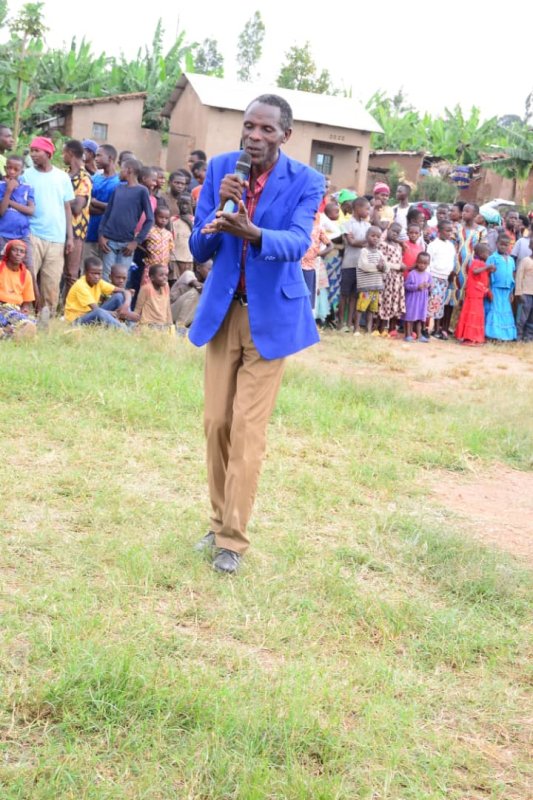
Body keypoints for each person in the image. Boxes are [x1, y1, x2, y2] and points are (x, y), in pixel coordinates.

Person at [189, 93, 324, 574]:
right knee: (216, 424)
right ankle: (217, 521)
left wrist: (253, 231)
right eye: (249, 126)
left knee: (247, 430)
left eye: (267, 129)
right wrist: (219, 209)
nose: (255, 136)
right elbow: (198, 247)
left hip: (271, 318)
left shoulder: (307, 180)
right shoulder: (222, 169)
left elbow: (299, 241)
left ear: (286, 134)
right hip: (223, 313)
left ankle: (232, 540)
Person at [23, 136, 74, 313]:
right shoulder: (26, 175)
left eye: (37, 151)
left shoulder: (62, 177)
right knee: (28, 277)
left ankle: (47, 316)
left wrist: (70, 237)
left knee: (51, 281)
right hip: (32, 234)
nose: (33, 154)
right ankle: (26, 314)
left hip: (56, 238)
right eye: (31, 151)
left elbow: (67, 208)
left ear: (48, 153)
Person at [98, 158, 154, 279]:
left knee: (121, 278)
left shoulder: (142, 191)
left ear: (129, 170)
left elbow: (150, 219)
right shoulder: (118, 188)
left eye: (121, 169)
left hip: (127, 244)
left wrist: (136, 241)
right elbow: (107, 214)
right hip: (109, 242)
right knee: (106, 278)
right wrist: (101, 235)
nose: (119, 172)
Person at [65, 255, 129, 328]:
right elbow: (96, 309)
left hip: (92, 313)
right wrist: (114, 313)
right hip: (76, 320)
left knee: (119, 296)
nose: (97, 277)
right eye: (93, 273)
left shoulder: (99, 282)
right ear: (85, 272)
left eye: (99, 273)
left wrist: (126, 305)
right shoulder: (81, 286)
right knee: (99, 312)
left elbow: (124, 291)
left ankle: (130, 326)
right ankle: (124, 330)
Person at [62, 139, 92, 295]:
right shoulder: (63, 174)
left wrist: (61, 200)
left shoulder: (84, 178)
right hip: (58, 229)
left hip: (76, 232)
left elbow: (77, 208)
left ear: (70, 153)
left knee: (71, 274)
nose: (62, 156)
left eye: (64, 153)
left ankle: (69, 306)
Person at [338, 196, 370, 332]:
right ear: (357, 208)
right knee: (344, 294)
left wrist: (361, 242)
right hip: (349, 264)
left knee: (354, 296)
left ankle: (349, 322)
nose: (368, 211)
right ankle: (340, 323)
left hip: (361, 265)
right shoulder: (347, 224)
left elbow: (365, 242)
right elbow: (351, 243)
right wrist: (366, 241)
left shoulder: (367, 225)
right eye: (366, 209)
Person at [84, 144, 120, 262]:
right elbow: (86, 205)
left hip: (109, 238)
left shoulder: (120, 182)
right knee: (88, 269)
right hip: (90, 234)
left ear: (110, 158)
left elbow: (118, 209)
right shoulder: (94, 179)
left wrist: (97, 203)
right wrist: (106, 208)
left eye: (99, 155)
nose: (96, 159)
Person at [455, 243, 492, 345]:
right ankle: (468, 337)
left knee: (477, 315)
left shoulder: (482, 264)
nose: (488, 255)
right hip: (473, 294)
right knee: (472, 314)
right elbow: (475, 271)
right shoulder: (476, 262)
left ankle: (475, 337)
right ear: (481, 254)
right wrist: (487, 268)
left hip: (478, 294)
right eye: (487, 253)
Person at [353, 225, 387, 336]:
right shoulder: (364, 251)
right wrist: (378, 267)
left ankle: (368, 330)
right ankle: (356, 329)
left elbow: (386, 267)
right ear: (367, 237)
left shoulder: (379, 253)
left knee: (372, 309)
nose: (375, 238)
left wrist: (383, 267)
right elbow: (364, 266)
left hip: (376, 287)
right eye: (373, 236)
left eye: (378, 236)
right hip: (366, 287)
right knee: (360, 308)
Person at [0, 155, 35, 259]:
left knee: (28, 264)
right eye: (9, 168)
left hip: (22, 235)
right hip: (2, 234)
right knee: (2, 264)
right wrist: (9, 190)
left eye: (16, 169)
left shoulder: (28, 187)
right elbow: (1, 211)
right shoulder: (1, 186)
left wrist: (9, 201)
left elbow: (31, 210)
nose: (12, 171)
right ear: (5, 168)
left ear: (22, 172)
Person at [0, 239, 36, 338]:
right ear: (8, 252)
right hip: (2, 306)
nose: (18, 254)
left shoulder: (26, 274)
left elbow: (26, 302)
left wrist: (24, 310)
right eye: (15, 250)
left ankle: (8, 333)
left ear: (24, 255)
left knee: (29, 319)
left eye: (22, 251)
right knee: (13, 317)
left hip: (16, 308)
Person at [485, 234, 516, 341]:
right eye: (501, 244)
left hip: (507, 291)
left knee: (506, 311)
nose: (503, 247)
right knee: (495, 310)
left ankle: (506, 336)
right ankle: (493, 334)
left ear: (509, 246)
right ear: (496, 244)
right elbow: (487, 275)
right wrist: (489, 289)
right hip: (495, 289)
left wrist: (512, 292)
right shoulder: (492, 258)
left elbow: (512, 275)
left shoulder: (511, 260)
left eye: (506, 245)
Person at [427, 220, 456, 338]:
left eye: (451, 231)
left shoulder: (451, 246)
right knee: (432, 302)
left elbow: (451, 261)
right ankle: (425, 328)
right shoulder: (433, 245)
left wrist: (450, 273)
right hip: (434, 277)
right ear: (439, 231)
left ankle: (437, 329)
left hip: (445, 279)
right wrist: (428, 278)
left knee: (440, 304)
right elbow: (428, 262)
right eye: (447, 231)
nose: (449, 233)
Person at [301, 210, 333, 310]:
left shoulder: (318, 228)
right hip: (296, 265)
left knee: (308, 297)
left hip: (309, 266)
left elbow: (330, 245)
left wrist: (319, 254)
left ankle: (306, 317)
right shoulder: (299, 228)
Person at [378, 222, 405, 336]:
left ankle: (392, 329)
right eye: (393, 231)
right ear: (388, 230)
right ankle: (380, 328)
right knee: (385, 301)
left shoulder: (398, 246)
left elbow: (399, 260)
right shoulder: (382, 244)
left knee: (394, 301)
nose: (395, 234)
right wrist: (398, 266)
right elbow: (382, 263)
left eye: (397, 233)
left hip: (397, 279)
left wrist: (401, 267)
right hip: (386, 277)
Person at [403, 251, 432, 342]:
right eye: (420, 262)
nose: (422, 265)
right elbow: (406, 286)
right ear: (416, 262)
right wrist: (417, 287)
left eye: (425, 263)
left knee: (419, 318)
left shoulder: (428, 275)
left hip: (422, 301)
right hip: (412, 300)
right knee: (410, 317)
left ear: (428, 264)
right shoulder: (412, 274)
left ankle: (419, 335)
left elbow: (431, 286)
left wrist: (429, 286)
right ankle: (408, 335)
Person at [135, 263, 172, 330]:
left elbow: (168, 307)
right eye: (161, 275)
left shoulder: (166, 286)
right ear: (152, 278)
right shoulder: (146, 288)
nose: (165, 277)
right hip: (148, 324)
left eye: (166, 275)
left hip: (163, 324)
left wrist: (170, 325)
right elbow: (138, 309)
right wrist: (136, 326)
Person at [143, 204, 174, 283]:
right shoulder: (149, 230)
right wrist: (145, 251)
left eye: (166, 218)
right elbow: (138, 240)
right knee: (148, 283)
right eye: (161, 217)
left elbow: (170, 249)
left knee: (162, 284)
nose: (163, 220)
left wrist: (170, 262)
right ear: (155, 217)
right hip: (151, 264)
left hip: (164, 266)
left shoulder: (169, 234)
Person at [515, 241, 533, 341]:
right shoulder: (525, 260)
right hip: (526, 293)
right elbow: (519, 276)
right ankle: (518, 337)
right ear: (530, 246)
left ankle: (528, 337)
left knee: (531, 318)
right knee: (522, 317)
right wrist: (519, 292)